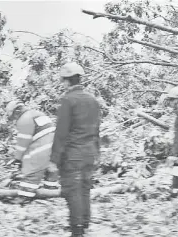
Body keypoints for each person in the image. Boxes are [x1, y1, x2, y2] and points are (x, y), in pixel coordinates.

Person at [49, 62, 101, 237]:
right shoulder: (93, 100)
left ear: (66, 81)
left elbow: (61, 133)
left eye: (63, 80)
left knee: (73, 191)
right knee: (85, 188)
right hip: (90, 153)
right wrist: (97, 154)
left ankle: (77, 230)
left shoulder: (68, 100)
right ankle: (84, 223)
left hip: (74, 155)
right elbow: (96, 130)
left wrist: (54, 160)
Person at [5, 101, 58, 198]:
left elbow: (23, 143)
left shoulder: (24, 120)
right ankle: (50, 190)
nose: (14, 120)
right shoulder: (37, 113)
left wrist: (18, 158)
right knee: (51, 168)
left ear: (16, 112)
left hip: (43, 147)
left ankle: (25, 195)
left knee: (32, 168)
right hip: (55, 145)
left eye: (13, 117)